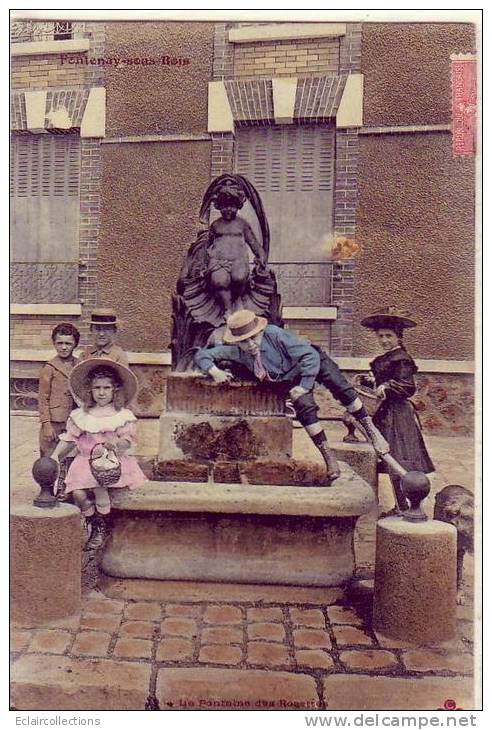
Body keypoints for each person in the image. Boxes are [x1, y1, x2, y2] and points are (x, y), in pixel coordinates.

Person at [194, 309, 389, 484]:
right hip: (290, 377)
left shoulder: (275, 335)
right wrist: (214, 371)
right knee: (305, 410)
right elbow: (202, 355)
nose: (251, 344)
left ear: (261, 331)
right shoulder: (237, 352)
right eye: (244, 341)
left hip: (313, 361)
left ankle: (370, 429)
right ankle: (328, 457)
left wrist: (305, 385)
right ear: (237, 342)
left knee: (341, 388)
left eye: (254, 337)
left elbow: (309, 356)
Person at [51, 358, 147, 550]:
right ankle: (93, 520)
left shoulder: (121, 415)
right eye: (97, 388)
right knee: (77, 493)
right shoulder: (83, 414)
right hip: (85, 461)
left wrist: (116, 443)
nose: (101, 393)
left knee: (99, 488)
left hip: (110, 462)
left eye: (106, 388)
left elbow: (127, 440)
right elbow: (70, 438)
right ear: (90, 390)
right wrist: (55, 455)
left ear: (115, 390)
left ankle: (101, 528)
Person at [360, 307, 435, 512]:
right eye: (381, 336)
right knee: (388, 457)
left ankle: (408, 506)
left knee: (399, 458)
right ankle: (401, 505)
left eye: (389, 336)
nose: (384, 340)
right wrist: (372, 381)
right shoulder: (387, 358)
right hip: (385, 413)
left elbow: (408, 387)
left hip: (398, 416)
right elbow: (383, 382)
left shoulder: (401, 358)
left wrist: (388, 386)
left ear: (398, 337)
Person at [207, 184, 267, 314]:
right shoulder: (215, 225)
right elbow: (206, 245)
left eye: (232, 206)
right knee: (219, 281)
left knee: (239, 278)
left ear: (238, 206)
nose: (229, 209)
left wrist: (260, 255)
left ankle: (237, 299)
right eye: (225, 206)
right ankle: (227, 308)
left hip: (238, 261)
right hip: (219, 262)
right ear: (219, 206)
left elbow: (253, 243)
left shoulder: (242, 224)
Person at [38, 322, 80, 457]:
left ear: (75, 344)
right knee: (49, 460)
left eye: (68, 344)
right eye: (59, 343)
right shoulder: (49, 367)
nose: (63, 347)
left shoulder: (79, 365)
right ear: (54, 344)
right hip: (54, 422)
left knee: (70, 458)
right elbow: (43, 398)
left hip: (73, 421)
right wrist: (46, 425)